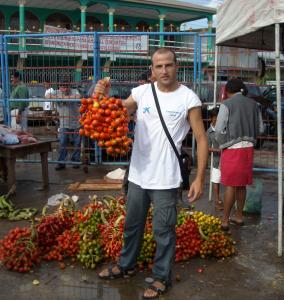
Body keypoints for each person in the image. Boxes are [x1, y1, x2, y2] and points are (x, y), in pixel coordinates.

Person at [98, 47, 208, 299]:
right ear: (152, 69)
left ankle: (161, 277)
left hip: (167, 179)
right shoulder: (142, 92)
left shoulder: (188, 98)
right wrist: (102, 96)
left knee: (163, 231)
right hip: (137, 175)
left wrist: (200, 178)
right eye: (158, 66)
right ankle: (125, 266)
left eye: (168, 65)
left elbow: (201, 139)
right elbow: (119, 111)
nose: (164, 70)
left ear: (177, 66)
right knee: (131, 225)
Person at [215, 78, 264, 231]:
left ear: (228, 91)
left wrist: (223, 143)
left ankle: (225, 220)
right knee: (241, 185)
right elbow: (261, 129)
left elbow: (218, 129)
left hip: (231, 149)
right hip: (248, 149)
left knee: (230, 186)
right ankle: (239, 216)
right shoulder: (254, 105)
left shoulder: (226, 105)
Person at [53, 83, 82, 170]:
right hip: (64, 123)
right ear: (59, 87)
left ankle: (75, 161)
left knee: (77, 144)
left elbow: (78, 96)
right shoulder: (56, 92)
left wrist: (62, 98)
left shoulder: (74, 91)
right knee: (62, 143)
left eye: (67, 87)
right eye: (63, 87)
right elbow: (47, 96)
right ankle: (61, 162)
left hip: (76, 122)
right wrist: (61, 97)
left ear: (69, 87)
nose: (65, 89)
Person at [207, 107, 222, 210]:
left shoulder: (224, 127)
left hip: (228, 158)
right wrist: (218, 150)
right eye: (215, 117)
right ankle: (217, 200)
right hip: (217, 160)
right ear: (211, 118)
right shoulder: (209, 132)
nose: (217, 120)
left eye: (218, 117)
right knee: (216, 180)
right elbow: (207, 148)